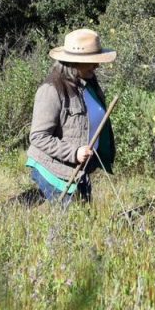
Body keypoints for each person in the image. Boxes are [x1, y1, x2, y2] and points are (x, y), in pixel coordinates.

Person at [26, 29, 116, 205]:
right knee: (71, 225)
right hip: (55, 170)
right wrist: (74, 153)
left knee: (83, 220)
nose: (96, 65)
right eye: (91, 61)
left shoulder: (88, 83)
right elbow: (38, 136)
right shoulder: (51, 89)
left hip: (79, 170)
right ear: (74, 62)